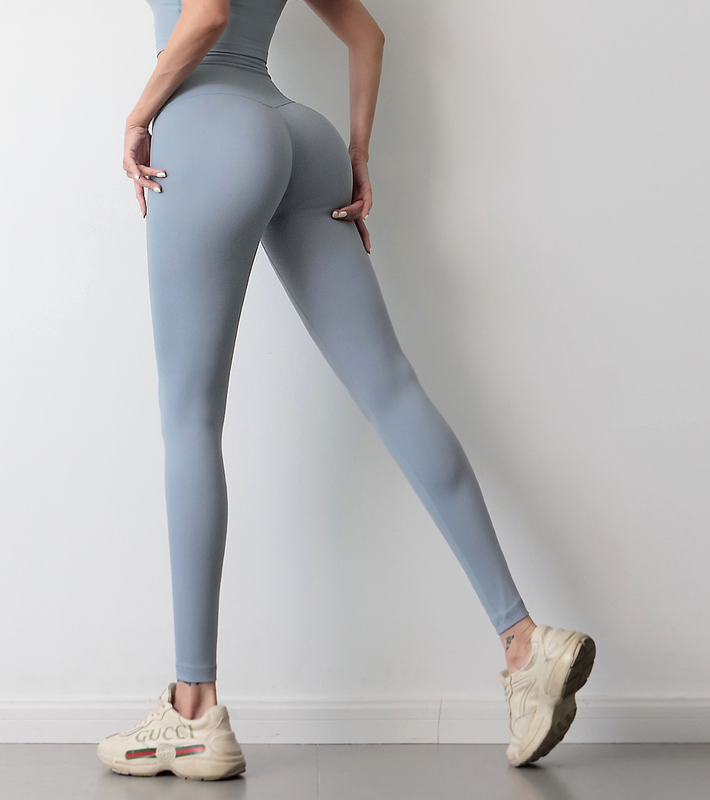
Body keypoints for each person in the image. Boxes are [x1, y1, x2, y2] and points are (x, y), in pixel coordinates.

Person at [97, 0, 596, 780]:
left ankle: (192, 711)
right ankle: (524, 642)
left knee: (190, 417)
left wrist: (138, 115)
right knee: (390, 385)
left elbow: (206, 16)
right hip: (304, 137)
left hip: (208, 126)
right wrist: (358, 151)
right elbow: (367, 34)